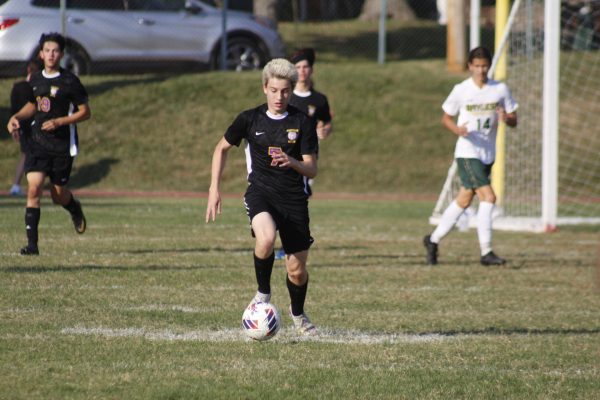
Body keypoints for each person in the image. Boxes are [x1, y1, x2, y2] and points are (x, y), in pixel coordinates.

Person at [205, 58, 319, 335]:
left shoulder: (301, 121)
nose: (279, 97)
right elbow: (221, 149)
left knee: (296, 271)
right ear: (264, 88)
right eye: (274, 90)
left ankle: (298, 314)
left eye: (285, 91)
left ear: (291, 91)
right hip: (261, 193)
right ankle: (262, 295)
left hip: (293, 200)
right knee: (266, 238)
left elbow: (311, 169)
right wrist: (213, 189)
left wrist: (291, 161)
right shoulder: (249, 119)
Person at [423, 46, 518, 266]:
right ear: (470, 67)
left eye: (484, 65)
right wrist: (457, 130)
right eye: (477, 66)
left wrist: (506, 118)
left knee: (464, 199)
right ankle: (486, 252)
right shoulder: (461, 90)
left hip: (487, 154)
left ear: (489, 66)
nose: (481, 70)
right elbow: (446, 118)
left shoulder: (500, 89)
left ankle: (433, 240)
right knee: (489, 197)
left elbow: (514, 119)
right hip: (467, 153)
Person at [6, 32, 91, 256]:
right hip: (37, 142)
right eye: (47, 51)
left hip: (62, 145)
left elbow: (85, 112)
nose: (51, 55)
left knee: (57, 195)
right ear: (41, 54)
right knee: (34, 188)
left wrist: (61, 121)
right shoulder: (35, 79)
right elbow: (33, 106)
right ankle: (32, 245)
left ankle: (73, 207)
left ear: (61, 55)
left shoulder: (70, 81)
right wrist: (16, 117)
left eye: (56, 51)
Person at [272, 48, 333, 260]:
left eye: (306, 67)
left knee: (299, 199)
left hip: (308, 159)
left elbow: (326, 123)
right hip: (286, 156)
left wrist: (324, 130)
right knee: (284, 200)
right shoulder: (285, 95)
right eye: (298, 67)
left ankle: (289, 244)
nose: (302, 71)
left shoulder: (319, 99)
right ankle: (286, 242)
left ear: (312, 69)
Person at [9, 60, 41, 196]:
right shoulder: (36, 87)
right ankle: (26, 185)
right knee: (30, 155)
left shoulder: (18, 87)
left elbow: (13, 109)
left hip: (23, 126)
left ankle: (20, 185)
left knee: (26, 154)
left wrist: (15, 126)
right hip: (33, 127)